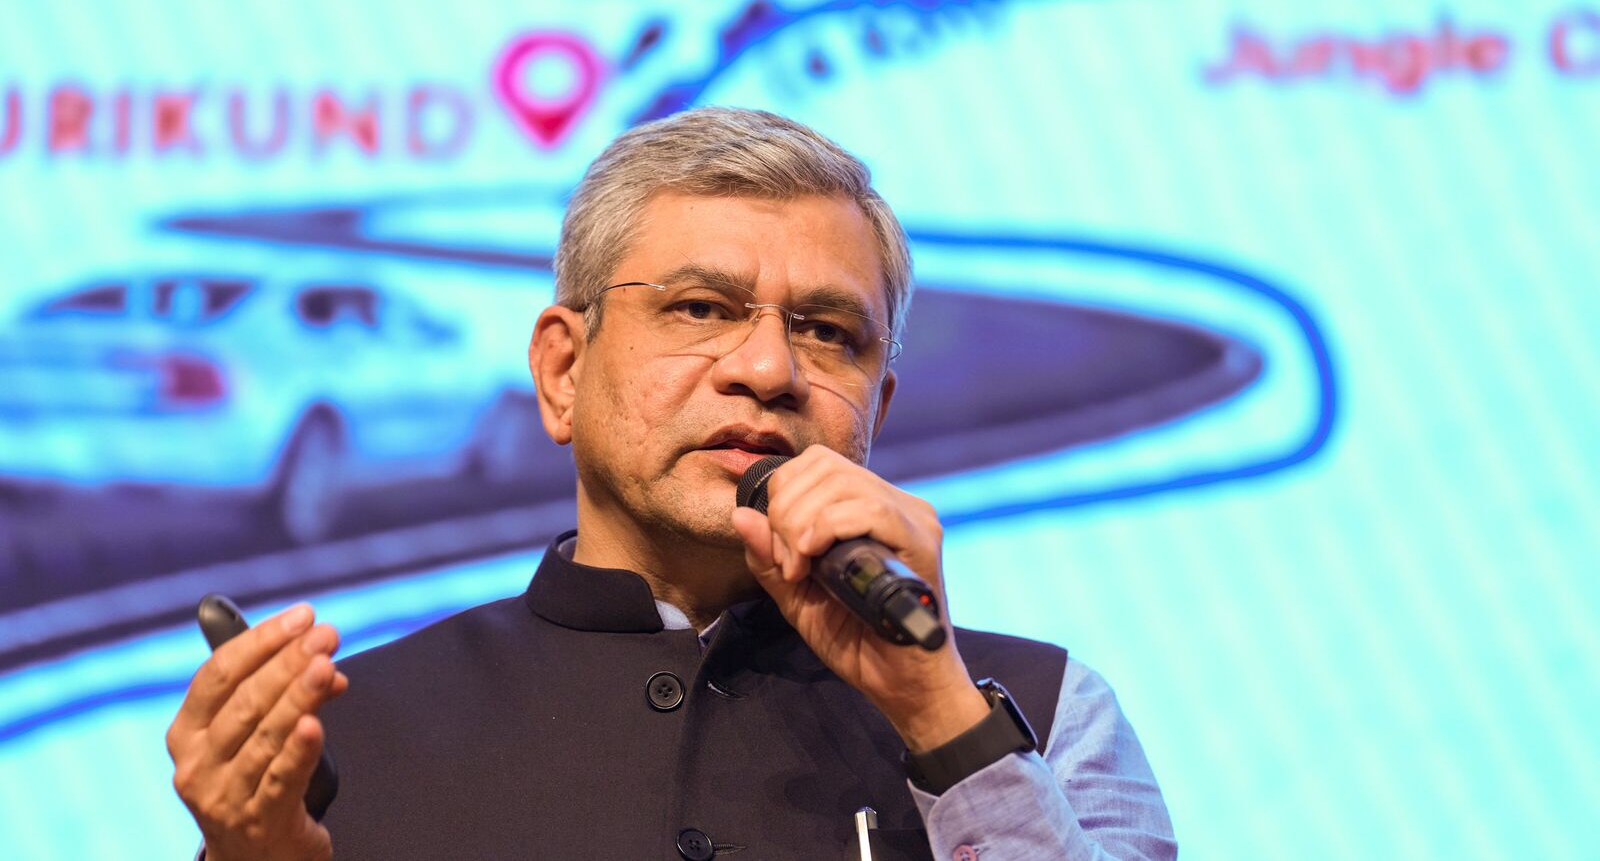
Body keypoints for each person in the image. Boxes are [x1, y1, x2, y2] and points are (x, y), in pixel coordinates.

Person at [166, 108, 1177, 860]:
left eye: (828, 332)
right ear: (563, 371)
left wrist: (941, 719)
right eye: (700, 309)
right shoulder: (348, 744)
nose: (769, 370)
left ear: (878, 407)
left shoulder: (1046, 713)